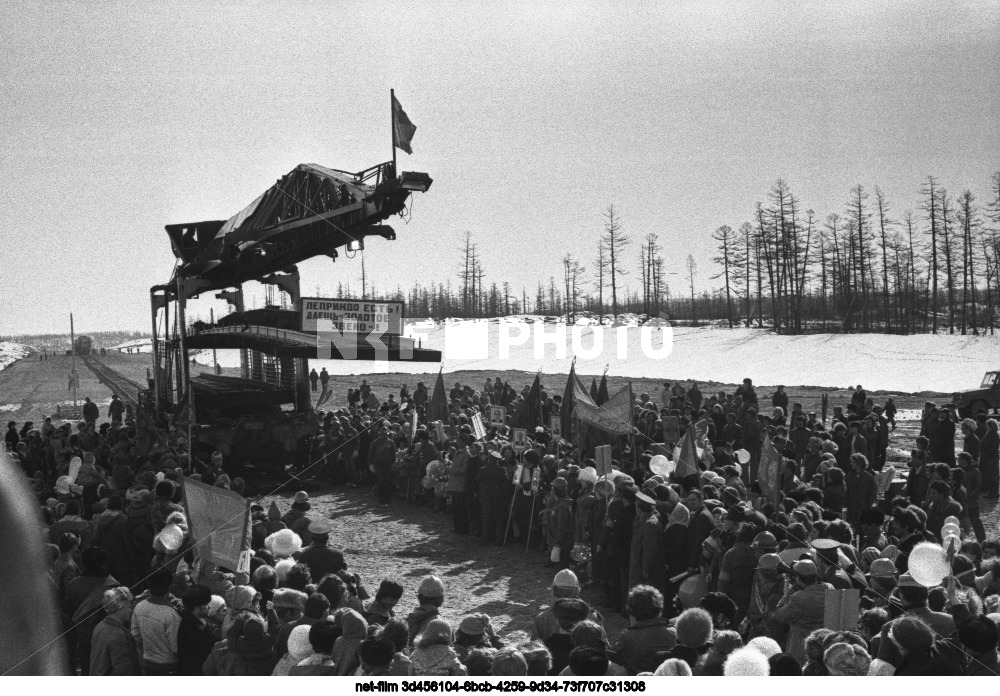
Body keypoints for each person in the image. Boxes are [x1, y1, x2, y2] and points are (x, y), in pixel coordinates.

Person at [770, 560, 833, 664]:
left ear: (798, 578)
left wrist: (786, 595)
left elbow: (780, 615)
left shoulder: (799, 597)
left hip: (801, 650)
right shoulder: (829, 588)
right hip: (824, 646)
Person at [130, 568, 181, 675]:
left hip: (147, 662)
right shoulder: (171, 614)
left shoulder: (139, 606)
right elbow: (175, 648)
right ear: (169, 585)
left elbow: (135, 634)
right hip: (169, 665)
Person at [89, 587, 141, 675]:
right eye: (129, 606)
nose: (130, 610)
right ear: (122, 607)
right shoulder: (118, 635)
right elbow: (123, 670)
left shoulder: (100, 626)